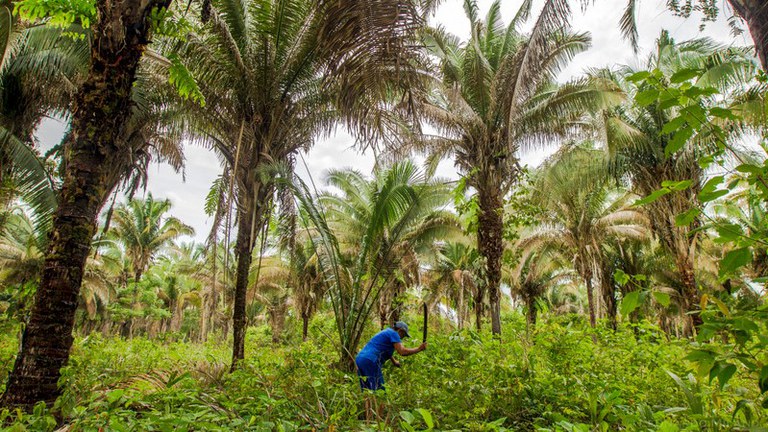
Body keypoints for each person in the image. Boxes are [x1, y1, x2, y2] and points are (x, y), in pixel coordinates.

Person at [355, 321, 427, 419]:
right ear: (400, 331)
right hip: (371, 360)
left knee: (367, 390)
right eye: (403, 335)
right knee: (381, 392)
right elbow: (402, 351)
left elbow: (385, 350)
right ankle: (378, 419)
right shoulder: (394, 334)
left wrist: (394, 362)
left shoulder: (387, 332)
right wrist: (418, 349)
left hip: (360, 359)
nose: (402, 338)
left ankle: (368, 417)